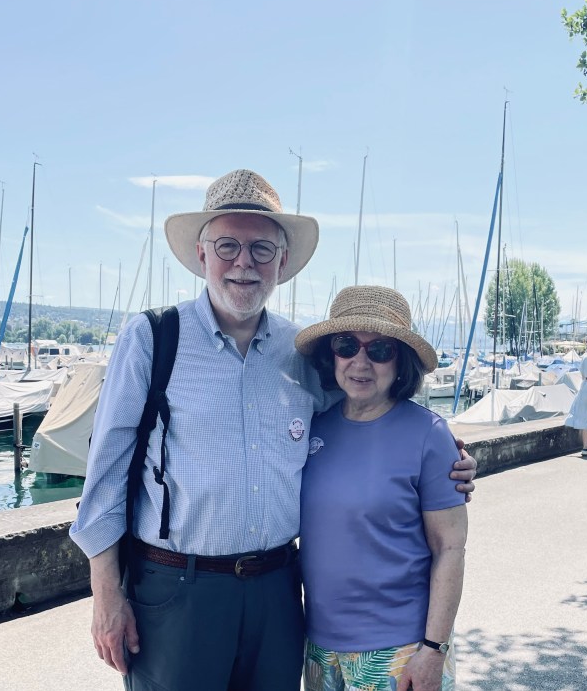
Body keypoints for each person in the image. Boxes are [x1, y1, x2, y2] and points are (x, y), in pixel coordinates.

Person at [69, 169, 477, 691]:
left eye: (262, 248)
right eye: (228, 245)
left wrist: (445, 454)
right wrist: (105, 594)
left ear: (282, 262)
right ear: (201, 253)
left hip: (278, 594)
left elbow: (372, 408)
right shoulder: (153, 338)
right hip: (177, 591)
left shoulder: (300, 353)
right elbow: (105, 471)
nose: (244, 262)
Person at [294, 286, 468, 691]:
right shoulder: (312, 428)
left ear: (400, 360)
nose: (360, 362)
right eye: (346, 345)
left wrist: (434, 649)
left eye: (380, 350)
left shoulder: (429, 434)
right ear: (331, 355)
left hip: (400, 649)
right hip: (319, 647)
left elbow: (450, 548)